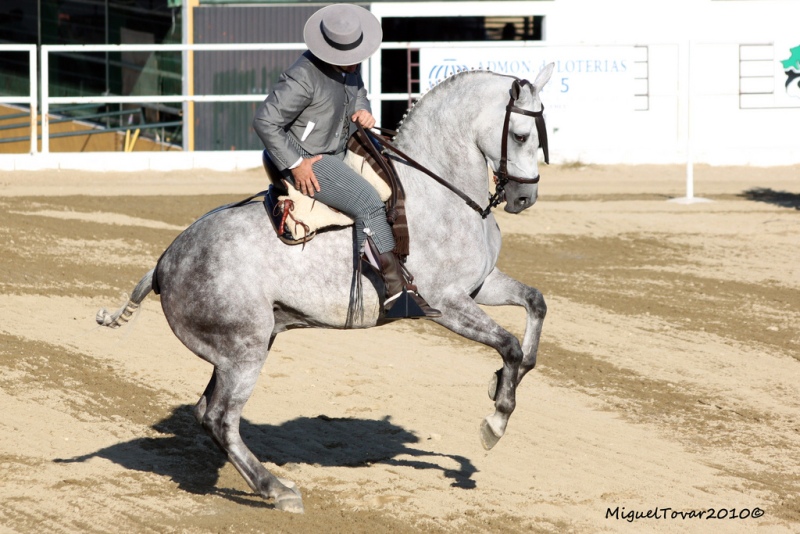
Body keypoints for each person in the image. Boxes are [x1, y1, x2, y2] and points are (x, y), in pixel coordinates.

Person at [253, 3, 440, 319]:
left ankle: (396, 262)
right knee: (368, 200)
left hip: (337, 151)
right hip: (307, 158)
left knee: (398, 182)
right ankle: (395, 292)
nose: (355, 62)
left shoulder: (350, 68)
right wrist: (297, 164)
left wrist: (363, 110)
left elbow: (358, 93)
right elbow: (265, 121)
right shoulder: (302, 76)